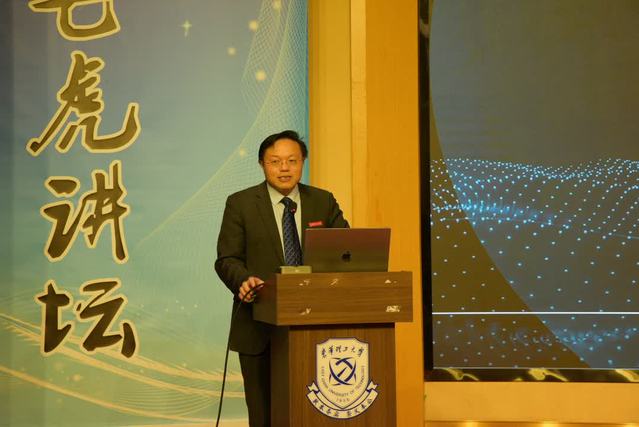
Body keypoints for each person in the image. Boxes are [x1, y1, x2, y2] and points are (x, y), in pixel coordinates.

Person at [215, 130, 349, 426]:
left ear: (303, 162)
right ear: (262, 164)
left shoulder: (322, 201)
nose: (284, 168)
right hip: (259, 326)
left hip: (316, 327)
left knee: (313, 413)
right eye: (275, 161)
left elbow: (346, 251)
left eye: (292, 160)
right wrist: (243, 281)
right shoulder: (241, 203)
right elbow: (227, 259)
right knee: (264, 415)